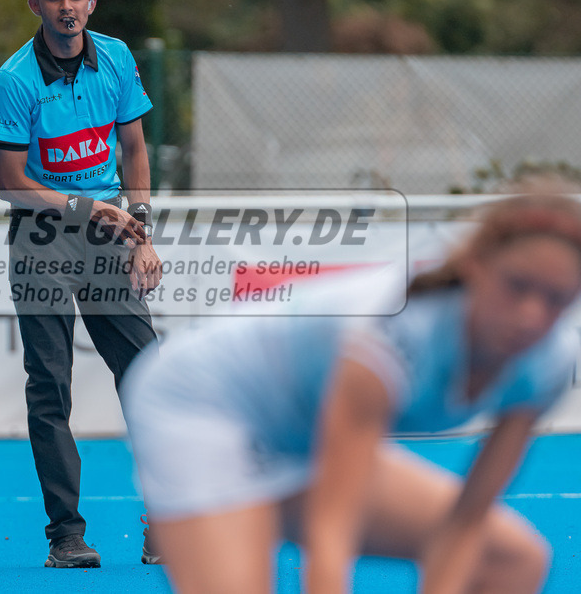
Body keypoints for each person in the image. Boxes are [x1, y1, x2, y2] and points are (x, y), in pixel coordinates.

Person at [122, 191, 581, 593]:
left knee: (512, 561)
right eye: (516, 286)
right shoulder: (397, 335)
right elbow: (331, 537)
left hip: (303, 433)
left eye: (557, 299)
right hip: (206, 407)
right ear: (475, 267)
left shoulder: (549, 361)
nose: (531, 317)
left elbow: (466, 523)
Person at [0, 0, 163, 568]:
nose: (67, 8)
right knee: (50, 388)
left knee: (151, 379)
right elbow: (10, 182)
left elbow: (135, 149)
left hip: (112, 232)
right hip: (42, 239)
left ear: (93, 1)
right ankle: (67, 535)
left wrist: (139, 231)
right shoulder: (14, 78)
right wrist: (90, 211)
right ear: (35, 5)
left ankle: (165, 523)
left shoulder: (115, 57)